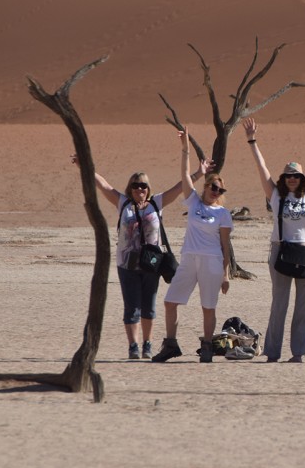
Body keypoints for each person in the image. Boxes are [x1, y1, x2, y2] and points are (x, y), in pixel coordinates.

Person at [71, 153, 212, 360]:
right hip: (126, 264)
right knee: (131, 306)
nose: (140, 189)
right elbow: (103, 185)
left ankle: (147, 343)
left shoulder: (157, 203)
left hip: (151, 264)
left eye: (143, 186)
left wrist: (199, 173)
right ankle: (133, 346)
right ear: (130, 188)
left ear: (148, 188)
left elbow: (180, 186)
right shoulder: (123, 203)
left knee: (149, 305)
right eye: (136, 186)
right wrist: (84, 166)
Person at [243, 116, 305, 363]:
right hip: (280, 251)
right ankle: (273, 353)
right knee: (279, 304)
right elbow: (261, 167)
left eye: (296, 175)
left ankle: (298, 353)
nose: (292, 178)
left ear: (302, 179)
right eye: (288, 175)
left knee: (303, 306)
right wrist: (252, 141)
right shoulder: (275, 195)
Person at [151, 128, 233, 363]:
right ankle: (171, 344)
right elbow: (185, 176)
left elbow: (225, 245)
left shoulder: (223, 214)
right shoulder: (194, 202)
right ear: (206, 186)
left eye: (220, 190)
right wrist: (185, 148)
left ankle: (207, 346)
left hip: (212, 262)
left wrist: (226, 274)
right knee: (170, 302)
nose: (216, 192)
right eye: (213, 187)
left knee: (208, 306)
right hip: (189, 259)